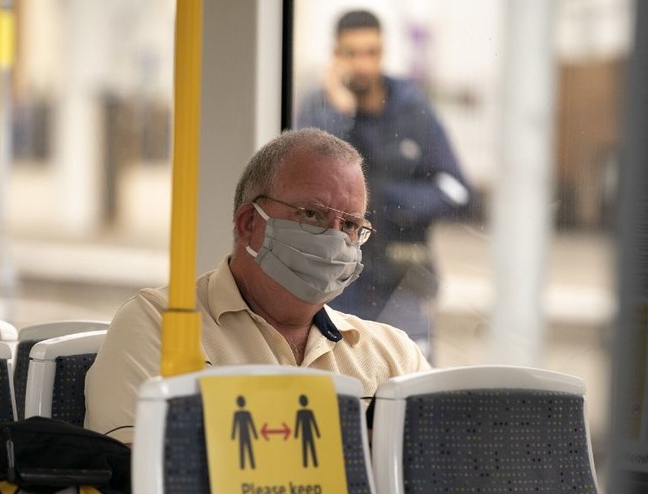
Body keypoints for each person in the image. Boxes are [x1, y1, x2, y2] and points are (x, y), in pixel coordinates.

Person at [85, 128, 430, 444]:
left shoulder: (393, 357)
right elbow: (139, 480)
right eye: (312, 215)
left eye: (351, 224)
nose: (337, 239)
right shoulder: (158, 327)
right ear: (250, 223)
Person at [296, 10, 471, 359]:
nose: (363, 64)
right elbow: (306, 189)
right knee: (344, 386)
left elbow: (459, 193)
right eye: (352, 53)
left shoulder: (410, 107)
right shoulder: (319, 109)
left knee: (413, 386)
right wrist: (339, 115)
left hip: (403, 277)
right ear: (336, 56)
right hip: (336, 282)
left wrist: (390, 203)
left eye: (371, 52)